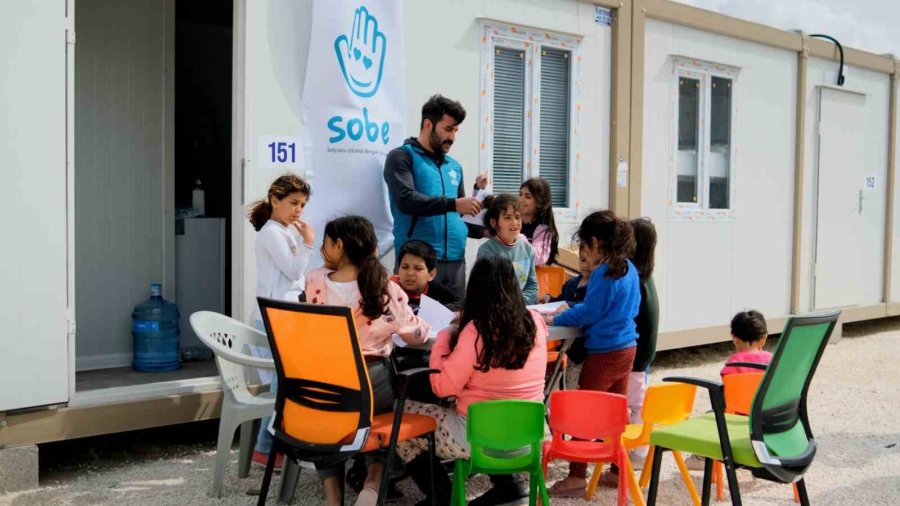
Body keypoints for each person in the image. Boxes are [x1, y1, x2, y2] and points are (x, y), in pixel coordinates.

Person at [398, 255, 549, 505]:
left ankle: (443, 497)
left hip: (477, 440)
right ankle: (510, 486)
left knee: (399, 417)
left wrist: (443, 341)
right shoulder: (536, 323)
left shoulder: (476, 331)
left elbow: (442, 387)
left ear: (475, 289)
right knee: (491, 417)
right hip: (529, 439)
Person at [305, 216, 431, 506]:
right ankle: (371, 485)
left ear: (339, 246)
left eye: (326, 242)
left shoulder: (314, 281)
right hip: (372, 385)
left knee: (329, 423)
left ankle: (333, 497)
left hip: (324, 385)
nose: (323, 248)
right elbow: (415, 334)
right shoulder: (384, 287)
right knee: (382, 419)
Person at [544, 211, 640, 498]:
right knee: (616, 412)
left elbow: (590, 312)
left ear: (595, 242)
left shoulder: (603, 273)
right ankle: (618, 469)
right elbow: (623, 306)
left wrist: (556, 318)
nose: (583, 251)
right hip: (627, 347)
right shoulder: (629, 268)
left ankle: (576, 477)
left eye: (584, 245)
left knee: (586, 412)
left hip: (604, 352)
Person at [384, 94, 487, 298]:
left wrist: (489, 230)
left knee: (456, 316)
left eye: (456, 130)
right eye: (448, 129)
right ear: (428, 125)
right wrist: (454, 204)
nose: (452, 137)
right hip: (418, 264)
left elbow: (460, 215)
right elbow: (406, 200)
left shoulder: (454, 166)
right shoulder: (401, 156)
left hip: (457, 261)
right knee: (412, 318)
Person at [247, 174, 314, 468]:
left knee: (284, 382)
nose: (298, 210)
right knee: (281, 383)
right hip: (275, 317)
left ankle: (273, 446)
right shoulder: (273, 233)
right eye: (293, 203)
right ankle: (265, 448)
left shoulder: (282, 232)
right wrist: (308, 243)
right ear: (275, 200)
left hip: (283, 315)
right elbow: (293, 271)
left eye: (302, 205)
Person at [598, 217, 659, 486]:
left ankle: (632, 456)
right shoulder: (647, 277)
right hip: (644, 353)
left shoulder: (632, 278)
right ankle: (636, 453)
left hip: (635, 353)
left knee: (633, 405)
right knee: (636, 402)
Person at [476, 194, 539, 305]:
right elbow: (487, 289)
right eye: (507, 218)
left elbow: (531, 285)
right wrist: (510, 307)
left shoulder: (528, 249)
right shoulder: (487, 251)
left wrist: (521, 304)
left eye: (517, 217)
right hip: (496, 309)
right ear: (494, 223)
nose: (514, 223)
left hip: (521, 307)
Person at [391, 240, 462, 313]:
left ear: (431, 275)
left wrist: (436, 310)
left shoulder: (432, 287)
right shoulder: (389, 288)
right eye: (405, 267)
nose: (410, 273)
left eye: (418, 268)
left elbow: (459, 302)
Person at [519, 177, 559, 266]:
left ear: (539, 203)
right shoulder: (515, 222)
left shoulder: (543, 230)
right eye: (520, 194)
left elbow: (537, 257)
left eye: (527, 196)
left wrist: (516, 235)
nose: (521, 199)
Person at [721, 310, 771, 376]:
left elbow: (725, 378)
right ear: (764, 338)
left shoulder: (732, 364)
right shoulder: (772, 361)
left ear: (734, 338)